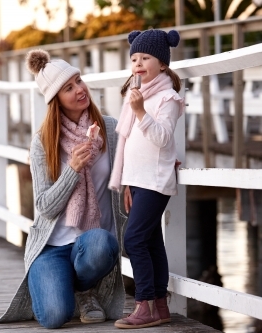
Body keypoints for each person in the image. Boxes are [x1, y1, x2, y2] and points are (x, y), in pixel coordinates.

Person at [0, 49, 127, 329]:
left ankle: (83, 289)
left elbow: (139, 154)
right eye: (68, 87)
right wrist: (73, 169)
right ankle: (60, 287)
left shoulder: (109, 130)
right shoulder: (43, 143)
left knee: (102, 243)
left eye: (78, 81)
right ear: (55, 101)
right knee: (54, 317)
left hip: (89, 243)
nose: (79, 89)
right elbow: (44, 206)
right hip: (52, 246)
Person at [109, 29, 185, 329]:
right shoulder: (135, 96)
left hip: (155, 179)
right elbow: (130, 145)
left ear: (163, 64)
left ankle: (144, 304)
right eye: (135, 58)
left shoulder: (167, 98)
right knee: (151, 241)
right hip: (138, 180)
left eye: (146, 57)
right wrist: (127, 181)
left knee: (134, 239)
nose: (138, 63)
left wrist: (141, 111)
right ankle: (161, 306)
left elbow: (163, 139)